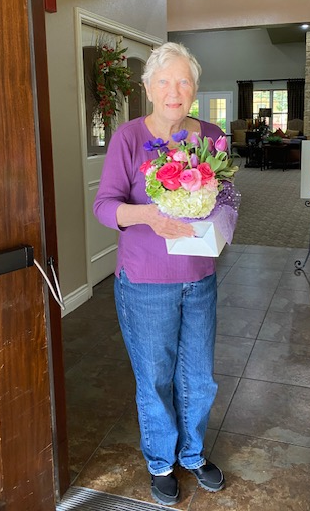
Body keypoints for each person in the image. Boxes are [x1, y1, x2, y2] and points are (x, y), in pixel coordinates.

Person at [93, 42, 226, 506]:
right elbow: (104, 206)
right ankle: (161, 463)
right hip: (145, 281)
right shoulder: (129, 137)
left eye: (184, 81)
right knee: (155, 379)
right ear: (148, 88)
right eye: (164, 81)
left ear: (194, 88)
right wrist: (147, 216)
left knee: (199, 376)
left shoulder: (211, 135)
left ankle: (192, 454)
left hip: (199, 276)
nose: (174, 90)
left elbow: (227, 197)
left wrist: (220, 217)